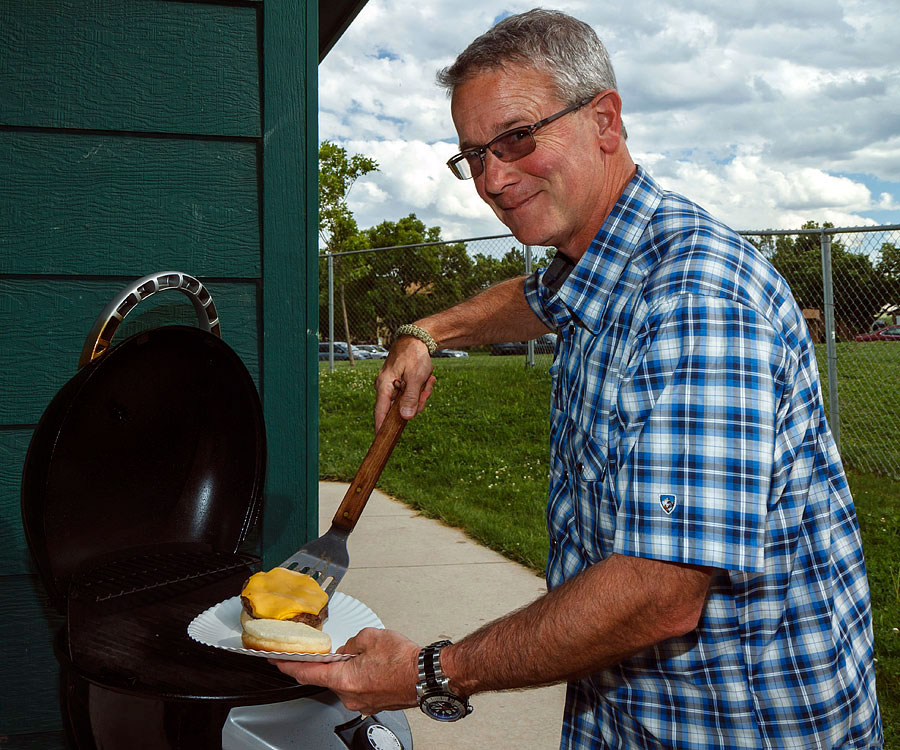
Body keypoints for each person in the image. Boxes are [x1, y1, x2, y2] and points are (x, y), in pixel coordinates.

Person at [276, 9, 883, 748]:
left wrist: (429, 672)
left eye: (517, 138)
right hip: (630, 714)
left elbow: (659, 595)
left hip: (737, 723)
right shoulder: (597, 261)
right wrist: (423, 332)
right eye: (473, 156)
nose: (493, 178)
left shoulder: (696, 299)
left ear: (605, 120)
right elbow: (526, 300)